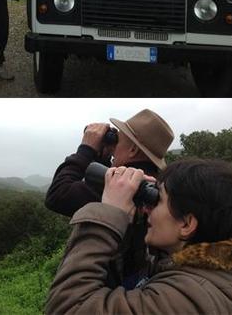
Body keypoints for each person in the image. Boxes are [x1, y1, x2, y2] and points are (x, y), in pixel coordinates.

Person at [46, 158, 232, 314]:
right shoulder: (225, 272)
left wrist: (109, 214)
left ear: (186, 224)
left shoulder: (184, 300)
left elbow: (69, 307)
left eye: (158, 199)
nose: (148, 208)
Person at [45, 109, 174, 287]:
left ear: (133, 149)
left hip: (99, 284)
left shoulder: (125, 186)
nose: (114, 146)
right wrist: (106, 160)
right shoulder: (154, 184)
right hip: (137, 277)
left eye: (117, 140)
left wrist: (85, 150)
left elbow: (57, 196)